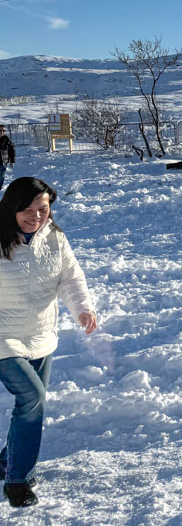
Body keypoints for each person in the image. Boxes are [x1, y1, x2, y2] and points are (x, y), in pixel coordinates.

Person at [0, 177, 96, 508]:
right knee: (32, 396)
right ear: (11, 207)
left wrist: (82, 308)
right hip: (2, 337)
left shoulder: (55, 237)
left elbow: (70, 277)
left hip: (41, 335)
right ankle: (18, 481)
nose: (36, 216)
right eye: (27, 210)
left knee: (32, 408)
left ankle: (6, 461)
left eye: (43, 209)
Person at [0, 127, 13, 191]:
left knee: (1, 177)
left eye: (3, 130)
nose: (2, 132)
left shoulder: (7, 139)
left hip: (3, 162)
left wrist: (12, 161)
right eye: (0, 130)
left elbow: (12, 150)